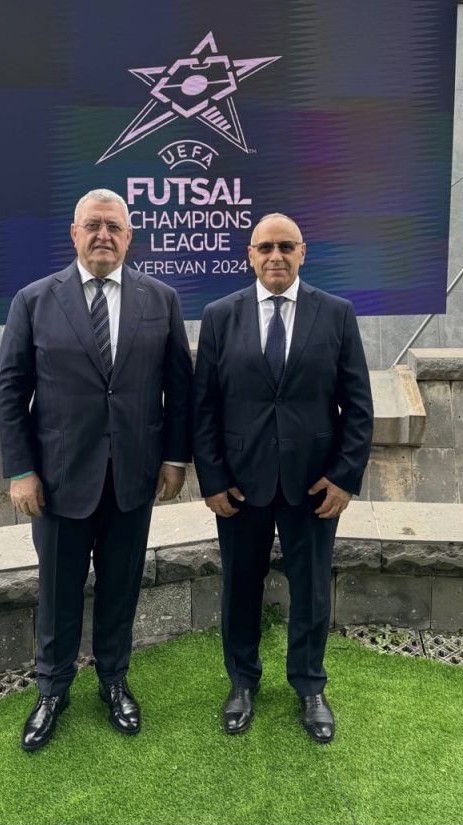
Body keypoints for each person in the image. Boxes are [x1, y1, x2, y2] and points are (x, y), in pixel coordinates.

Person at [0, 188, 193, 751]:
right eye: (93, 225)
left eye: (113, 227)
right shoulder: (34, 301)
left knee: (120, 588)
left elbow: (179, 388)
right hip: (58, 483)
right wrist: (21, 471)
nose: (103, 235)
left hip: (133, 478)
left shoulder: (161, 300)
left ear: (129, 237)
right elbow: (10, 391)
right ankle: (52, 690)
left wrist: (174, 458)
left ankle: (114, 680)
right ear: (74, 234)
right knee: (57, 592)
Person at [193, 213, 373, 743]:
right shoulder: (219, 316)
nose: (276, 256)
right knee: (240, 588)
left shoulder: (336, 314)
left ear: (302, 253)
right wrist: (212, 480)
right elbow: (204, 408)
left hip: (313, 486)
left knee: (312, 590)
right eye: (265, 247)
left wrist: (344, 478)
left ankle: (310, 687)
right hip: (240, 487)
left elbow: (358, 405)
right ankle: (242, 683)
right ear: (250, 255)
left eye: (286, 247)